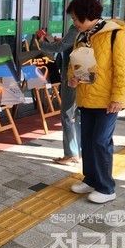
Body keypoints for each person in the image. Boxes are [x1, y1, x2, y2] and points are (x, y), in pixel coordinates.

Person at [66, 0, 125, 204]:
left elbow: (123, 69)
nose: (74, 23)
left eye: (76, 18)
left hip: (107, 100)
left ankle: (106, 187)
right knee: (87, 141)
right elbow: (74, 63)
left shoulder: (115, 34)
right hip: (86, 97)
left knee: (100, 142)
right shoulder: (82, 36)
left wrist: (118, 98)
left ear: (87, 15)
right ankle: (91, 179)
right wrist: (72, 79)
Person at [37, 25, 81, 165]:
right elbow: (69, 44)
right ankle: (77, 151)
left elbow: (58, 47)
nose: (73, 21)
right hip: (83, 77)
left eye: (74, 17)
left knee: (67, 114)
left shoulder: (77, 28)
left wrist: (41, 42)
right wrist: (64, 41)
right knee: (78, 115)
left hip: (72, 78)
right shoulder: (92, 29)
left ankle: (71, 154)